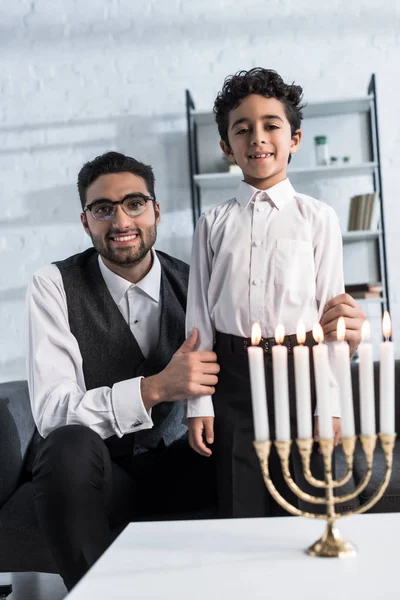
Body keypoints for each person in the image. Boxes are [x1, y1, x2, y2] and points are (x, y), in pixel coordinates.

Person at [26, 151, 221, 591]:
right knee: (67, 443)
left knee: (242, 433)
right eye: (103, 209)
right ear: (85, 221)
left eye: (134, 203)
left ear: (156, 210)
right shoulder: (52, 285)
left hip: (181, 468)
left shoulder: (197, 283)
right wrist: (152, 389)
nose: (121, 221)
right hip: (98, 478)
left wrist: (330, 330)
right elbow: (54, 414)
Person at [186, 68, 365, 518]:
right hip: (232, 379)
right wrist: (198, 403)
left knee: (308, 503)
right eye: (242, 130)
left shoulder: (318, 219)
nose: (257, 138)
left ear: (295, 139)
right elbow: (199, 323)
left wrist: (332, 403)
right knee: (238, 504)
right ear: (227, 147)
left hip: (301, 373)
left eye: (271, 125)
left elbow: (332, 323)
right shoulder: (212, 223)